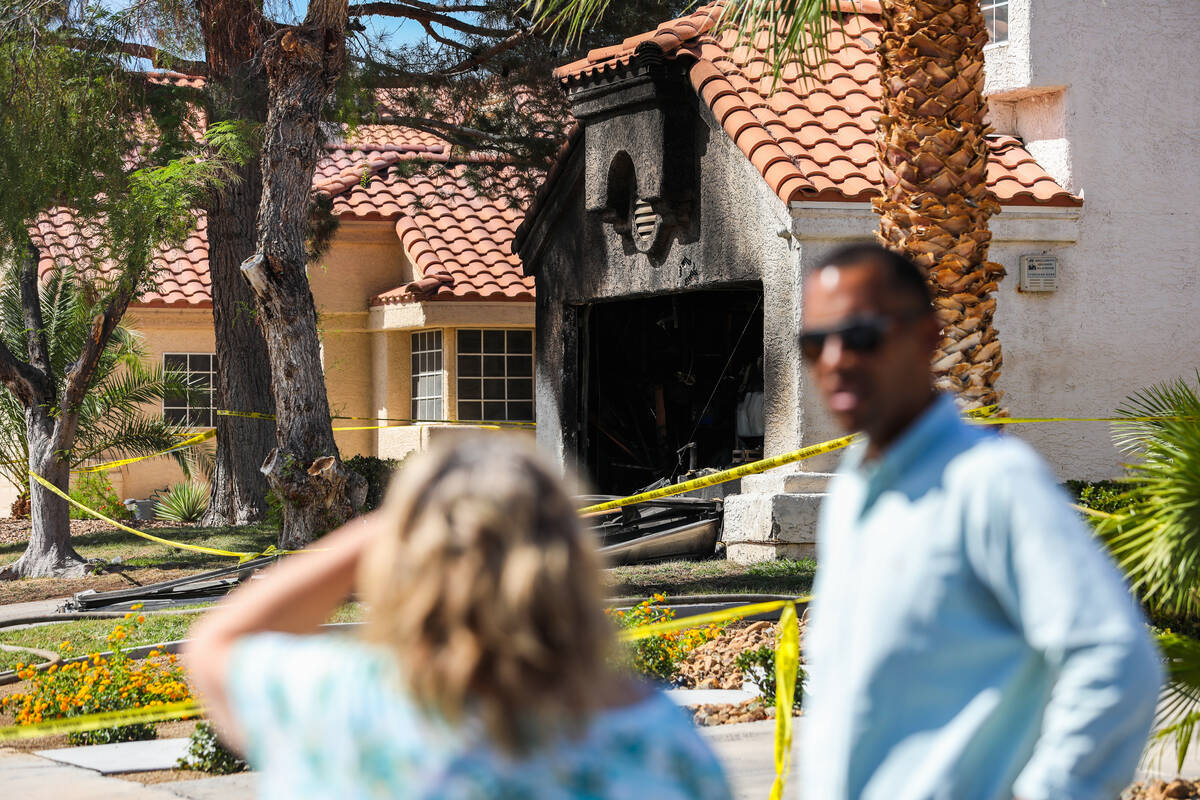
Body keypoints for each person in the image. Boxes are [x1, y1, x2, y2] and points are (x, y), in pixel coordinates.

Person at [797, 242, 1162, 800]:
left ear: (927, 338)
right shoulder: (850, 491)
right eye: (815, 343)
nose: (835, 359)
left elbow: (1115, 660)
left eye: (862, 336)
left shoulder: (991, 482)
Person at [185, 437, 732, 799]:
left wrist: (389, 525)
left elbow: (216, 644)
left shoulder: (341, 706)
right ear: (569, 562)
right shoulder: (665, 749)